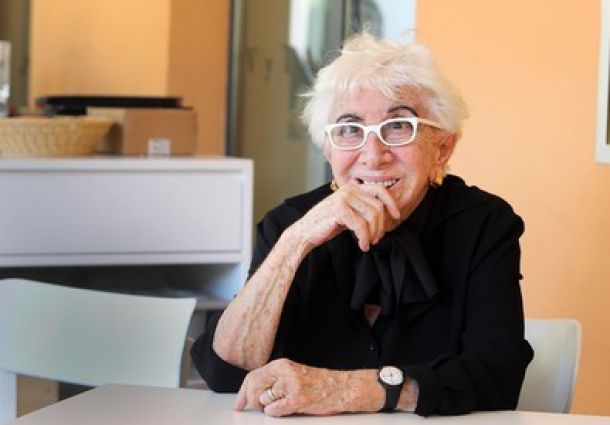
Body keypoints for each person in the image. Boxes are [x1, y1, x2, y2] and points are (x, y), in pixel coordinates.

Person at [191, 32, 533, 417]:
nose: (373, 155)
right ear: (329, 150)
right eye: (350, 129)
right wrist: (295, 242)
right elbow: (225, 373)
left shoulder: (484, 225)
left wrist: (347, 391)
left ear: (442, 148)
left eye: (398, 126)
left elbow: (497, 379)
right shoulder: (289, 223)